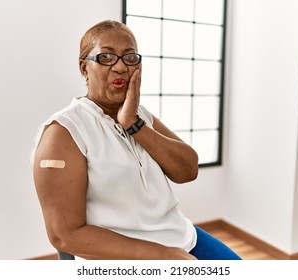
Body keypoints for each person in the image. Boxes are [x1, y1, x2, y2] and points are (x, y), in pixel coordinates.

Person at [31, 19, 241, 260]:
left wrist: (134, 124)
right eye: (106, 58)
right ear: (83, 68)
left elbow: (188, 170)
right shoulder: (63, 132)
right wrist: (162, 255)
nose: (120, 67)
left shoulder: (140, 115)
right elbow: (64, 235)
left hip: (180, 237)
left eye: (130, 58)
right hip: (119, 256)